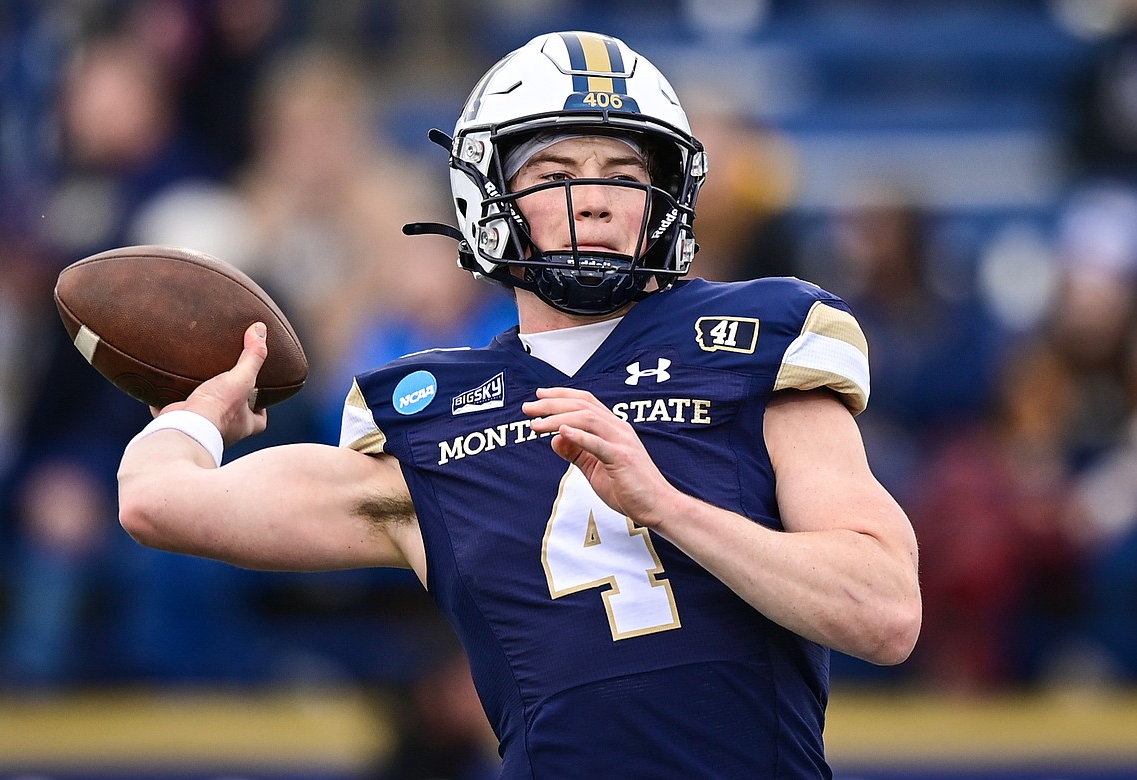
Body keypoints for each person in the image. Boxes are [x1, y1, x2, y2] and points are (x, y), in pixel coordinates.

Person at [117, 31, 921, 777]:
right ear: (487, 195)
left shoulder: (754, 343)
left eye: (625, 174)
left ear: (665, 200)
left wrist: (668, 508)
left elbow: (883, 612)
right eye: (555, 173)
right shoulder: (429, 416)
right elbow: (159, 501)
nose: (596, 199)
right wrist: (199, 410)